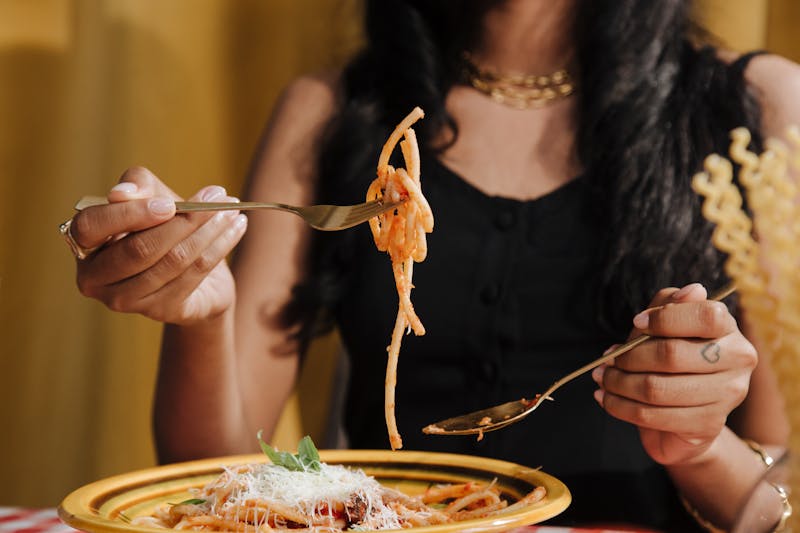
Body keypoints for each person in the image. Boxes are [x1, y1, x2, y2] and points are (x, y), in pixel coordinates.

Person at [61, 0, 800, 530]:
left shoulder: (757, 112)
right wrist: (204, 314)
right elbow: (212, 477)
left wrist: (700, 442)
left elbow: (771, 501)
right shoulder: (331, 112)